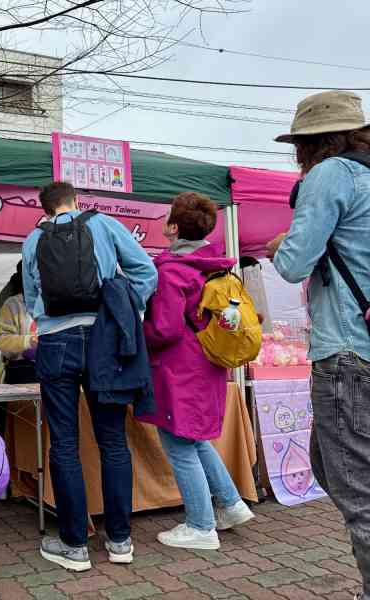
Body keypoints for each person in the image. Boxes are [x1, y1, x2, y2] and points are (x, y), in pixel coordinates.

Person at [267, 90, 370, 600]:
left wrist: (280, 244)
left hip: (346, 348)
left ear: (311, 143)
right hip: (362, 347)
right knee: (329, 465)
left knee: (355, 490)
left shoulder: (330, 175)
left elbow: (291, 264)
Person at [22, 182, 157, 571]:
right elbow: (144, 271)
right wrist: (128, 307)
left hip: (55, 341)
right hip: (103, 338)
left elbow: (33, 297)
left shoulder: (33, 240)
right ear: (76, 202)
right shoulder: (104, 224)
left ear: (45, 209)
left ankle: (74, 545)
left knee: (63, 443)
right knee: (113, 441)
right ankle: (120, 541)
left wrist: (48, 318)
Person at [137, 192, 255, 551]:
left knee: (179, 444)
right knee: (194, 438)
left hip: (179, 369)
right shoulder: (217, 265)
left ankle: (201, 526)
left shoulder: (172, 271)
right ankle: (231, 504)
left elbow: (165, 330)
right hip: (208, 363)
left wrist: (135, 333)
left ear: (174, 227)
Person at [0, 261, 38, 385]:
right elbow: (1, 339)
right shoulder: (13, 304)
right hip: (22, 371)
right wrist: (29, 342)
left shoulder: (54, 301)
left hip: (50, 371)